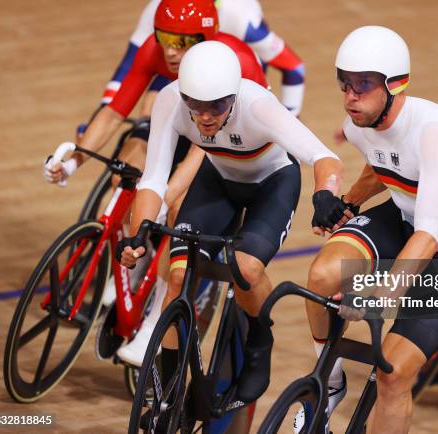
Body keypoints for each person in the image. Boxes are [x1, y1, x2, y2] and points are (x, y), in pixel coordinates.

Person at [118, 41, 347, 416]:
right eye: (197, 107)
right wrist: (138, 233)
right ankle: (168, 392)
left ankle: (259, 342)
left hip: (271, 183)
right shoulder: (169, 100)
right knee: (177, 278)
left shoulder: (258, 106)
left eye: (218, 107)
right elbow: (154, 178)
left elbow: (325, 157)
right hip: (218, 179)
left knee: (246, 270)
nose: (205, 118)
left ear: (234, 97)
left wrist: (325, 195)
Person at [44, 0, 269, 367]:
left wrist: (163, 201)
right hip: (185, 116)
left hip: (229, 137)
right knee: (127, 166)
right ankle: (140, 259)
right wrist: (75, 160)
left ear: (204, 40)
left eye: (181, 43)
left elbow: (202, 153)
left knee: (181, 210)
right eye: (165, 38)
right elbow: (116, 109)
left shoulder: (231, 63)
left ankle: (156, 317)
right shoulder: (156, 51)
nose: (170, 51)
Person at [294, 26, 438, 434]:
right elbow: (381, 165)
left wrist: (382, 291)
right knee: (321, 276)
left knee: (393, 374)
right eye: (344, 83)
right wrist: (348, 203)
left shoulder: (434, 133)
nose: (351, 95)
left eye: (363, 84)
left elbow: (429, 235)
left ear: (395, 85)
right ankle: (329, 385)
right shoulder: (357, 125)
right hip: (404, 216)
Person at [97, 0, 305, 117]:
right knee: (151, 108)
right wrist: (102, 109)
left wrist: (288, 124)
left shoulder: (241, 19)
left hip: (234, 68)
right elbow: (130, 63)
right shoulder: (163, 10)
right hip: (183, 61)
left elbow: (294, 69)